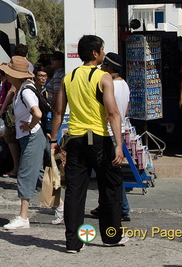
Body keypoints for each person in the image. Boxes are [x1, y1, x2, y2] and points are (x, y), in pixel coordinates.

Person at [50, 35, 126, 253]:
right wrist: (118, 144)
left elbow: (58, 111)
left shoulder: (68, 77)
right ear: (95, 53)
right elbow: (112, 112)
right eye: (102, 50)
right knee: (110, 187)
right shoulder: (104, 78)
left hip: (74, 139)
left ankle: (73, 243)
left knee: (75, 191)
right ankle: (111, 237)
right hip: (99, 140)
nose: (104, 53)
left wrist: (54, 140)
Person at [1, 56, 47, 230]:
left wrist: (30, 125)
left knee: (26, 174)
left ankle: (23, 216)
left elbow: (37, 113)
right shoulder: (25, 88)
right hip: (32, 136)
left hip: (32, 136)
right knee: (39, 175)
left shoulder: (25, 90)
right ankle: (60, 207)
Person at [89, 52, 131, 222]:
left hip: (109, 131)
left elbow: (110, 111)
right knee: (106, 173)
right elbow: (125, 110)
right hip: (120, 129)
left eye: (104, 65)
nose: (101, 68)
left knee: (112, 175)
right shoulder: (125, 85)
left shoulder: (109, 85)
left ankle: (123, 209)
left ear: (110, 68)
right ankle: (105, 205)